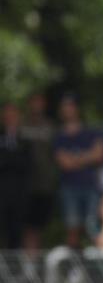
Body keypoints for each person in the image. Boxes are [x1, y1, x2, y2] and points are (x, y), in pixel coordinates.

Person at [54, 94, 103, 247]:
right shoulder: (59, 135)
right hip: (69, 186)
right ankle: (72, 260)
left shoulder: (91, 131)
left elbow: (99, 154)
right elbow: (64, 163)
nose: (68, 110)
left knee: (92, 226)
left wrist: (74, 158)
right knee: (72, 226)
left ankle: (94, 259)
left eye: (70, 106)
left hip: (90, 185)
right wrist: (87, 156)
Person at [20, 92, 57, 253]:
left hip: (45, 184)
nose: (36, 105)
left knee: (39, 225)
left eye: (39, 102)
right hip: (23, 184)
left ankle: (34, 259)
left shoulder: (50, 126)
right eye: (33, 101)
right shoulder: (21, 125)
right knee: (24, 225)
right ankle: (25, 259)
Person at [0, 102, 27, 248]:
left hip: (19, 190)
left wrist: (8, 159)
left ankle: (14, 259)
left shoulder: (24, 137)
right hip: (2, 189)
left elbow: (27, 162)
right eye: (6, 113)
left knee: (16, 229)